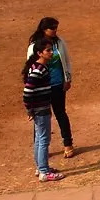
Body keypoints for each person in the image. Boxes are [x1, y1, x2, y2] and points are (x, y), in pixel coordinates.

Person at [26, 17, 75, 158]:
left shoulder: (59, 42)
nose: (55, 31)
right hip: (42, 87)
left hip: (58, 83)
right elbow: (30, 66)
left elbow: (66, 60)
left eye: (56, 28)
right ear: (44, 29)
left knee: (60, 113)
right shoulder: (34, 46)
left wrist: (68, 78)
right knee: (41, 117)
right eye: (52, 28)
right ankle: (41, 147)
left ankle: (68, 143)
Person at [22, 37, 65, 182]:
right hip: (41, 109)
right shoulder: (38, 70)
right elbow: (28, 91)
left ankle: (40, 167)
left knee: (40, 139)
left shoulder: (37, 67)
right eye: (48, 50)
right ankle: (44, 171)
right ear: (40, 53)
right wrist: (30, 109)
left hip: (40, 108)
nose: (51, 52)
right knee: (43, 140)